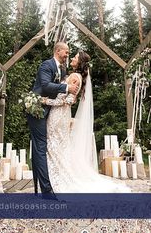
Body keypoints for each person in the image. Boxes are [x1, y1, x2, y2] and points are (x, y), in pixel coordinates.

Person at [44, 50, 131, 193]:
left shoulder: (74, 76)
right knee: (57, 146)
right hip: (61, 115)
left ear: (80, 62)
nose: (72, 58)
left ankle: (59, 177)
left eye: (75, 57)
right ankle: (55, 175)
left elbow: (69, 100)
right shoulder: (75, 75)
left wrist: (47, 101)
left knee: (54, 145)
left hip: (58, 115)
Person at [27, 42, 78, 196]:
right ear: (58, 51)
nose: (67, 55)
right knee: (41, 147)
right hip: (36, 109)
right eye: (66, 52)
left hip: (48, 110)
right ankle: (46, 190)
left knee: (39, 148)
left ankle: (41, 186)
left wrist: (70, 97)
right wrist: (67, 88)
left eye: (69, 53)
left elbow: (60, 91)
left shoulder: (62, 69)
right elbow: (45, 85)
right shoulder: (46, 65)